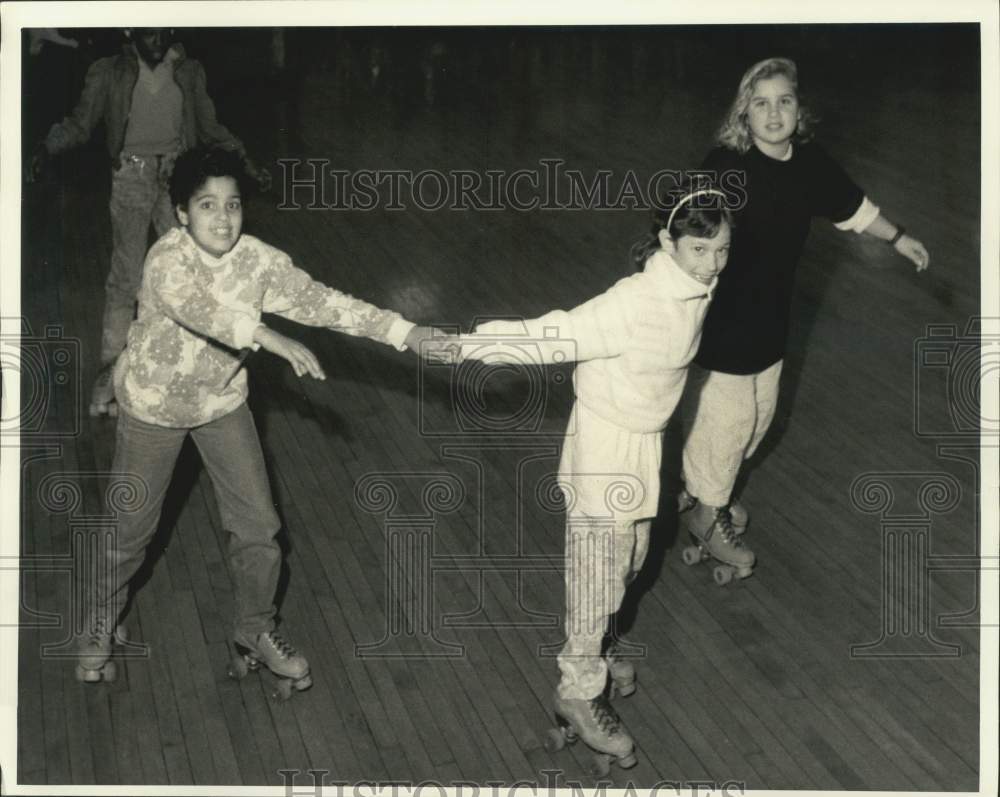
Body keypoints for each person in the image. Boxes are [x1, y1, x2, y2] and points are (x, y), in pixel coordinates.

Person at [75, 146, 451, 694]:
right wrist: (265, 334)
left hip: (222, 404)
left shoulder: (257, 261)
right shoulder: (167, 260)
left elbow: (322, 302)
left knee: (259, 526)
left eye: (232, 204)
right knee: (131, 529)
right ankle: (100, 616)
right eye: (206, 205)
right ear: (181, 213)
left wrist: (405, 332)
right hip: (153, 408)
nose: (222, 218)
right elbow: (202, 310)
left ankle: (254, 627)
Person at [456, 182, 733, 772]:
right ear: (668, 243)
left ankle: (596, 648)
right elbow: (552, 334)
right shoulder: (634, 301)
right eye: (699, 250)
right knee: (597, 575)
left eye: (722, 250)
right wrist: (463, 346)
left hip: (645, 444)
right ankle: (577, 690)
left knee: (629, 562)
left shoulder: (694, 289)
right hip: (607, 447)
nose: (712, 264)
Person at [678, 57, 930, 573]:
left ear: (799, 109)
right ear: (744, 112)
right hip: (725, 317)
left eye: (784, 101)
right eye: (761, 103)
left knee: (760, 415)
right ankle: (707, 510)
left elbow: (852, 207)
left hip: (771, 316)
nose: (774, 113)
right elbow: (683, 225)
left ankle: (706, 488)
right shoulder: (726, 166)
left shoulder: (809, 162)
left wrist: (899, 238)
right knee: (731, 419)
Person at [25, 28, 271, 417]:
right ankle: (109, 381)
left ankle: (180, 371)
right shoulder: (110, 71)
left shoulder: (187, 70)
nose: (158, 38)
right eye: (149, 31)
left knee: (184, 274)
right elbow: (80, 123)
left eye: (164, 30)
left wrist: (247, 162)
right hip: (131, 177)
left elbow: (210, 128)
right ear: (131, 31)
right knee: (126, 278)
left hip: (176, 178)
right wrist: (45, 147)